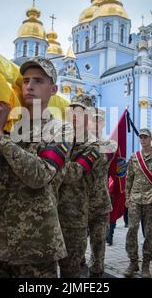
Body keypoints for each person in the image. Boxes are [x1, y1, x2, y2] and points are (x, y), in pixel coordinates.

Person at [0, 57, 73, 278]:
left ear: (53, 89)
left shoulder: (61, 130)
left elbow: (39, 175)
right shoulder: (7, 126)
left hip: (37, 247)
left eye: (38, 81)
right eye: (26, 80)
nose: (29, 86)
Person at [58, 95, 108, 278]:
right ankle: (81, 264)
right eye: (72, 110)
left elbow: (74, 173)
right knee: (74, 254)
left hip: (97, 203)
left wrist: (50, 158)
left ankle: (96, 275)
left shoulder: (96, 145)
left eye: (79, 111)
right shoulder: (65, 139)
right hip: (70, 207)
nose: (74, 115)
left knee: (97, 245)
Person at [123, 128, 152, 278]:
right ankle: (133, 261)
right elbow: (129, 178)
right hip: (135, 199)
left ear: (151, 138)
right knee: (132, 230)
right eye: (141, 137)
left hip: (151, 200)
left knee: (149, 233)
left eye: (145, 137)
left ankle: (146, 264)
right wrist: (127, 198)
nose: (143, 140)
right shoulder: (134, 157)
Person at [85, 107, 117, 278]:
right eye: (93, 119)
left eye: (99, 120)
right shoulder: (79, 141)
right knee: (77, 243)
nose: (96, 123)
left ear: (103, 123)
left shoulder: (109, 144)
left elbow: (105, 159)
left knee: (98, 243)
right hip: (78, 201)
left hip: (100, 201)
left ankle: (96, 274)